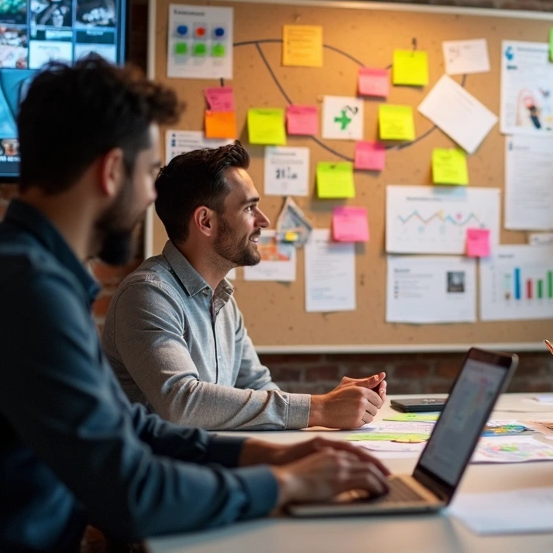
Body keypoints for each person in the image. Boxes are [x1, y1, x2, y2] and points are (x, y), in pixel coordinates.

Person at [0, 57, 389, 550]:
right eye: (148, 175)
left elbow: (126, 426)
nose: (149, 199)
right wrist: (285, 485)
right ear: (112, 171)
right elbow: (131, 492)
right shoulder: (25, 290)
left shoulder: (25, 270)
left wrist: (263, 454)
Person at [102, 142, 388, 431]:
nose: (263, 221)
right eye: (250, 208)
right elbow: (182, 403)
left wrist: (334, 403)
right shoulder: (147, 294)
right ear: (205, 221)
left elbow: (259, 387)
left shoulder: (222, 299)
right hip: (157, 460)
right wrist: (320, 408)